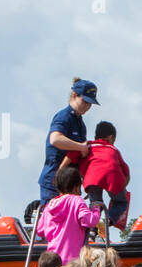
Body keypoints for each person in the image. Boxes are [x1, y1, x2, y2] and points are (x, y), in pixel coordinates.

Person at [38, 78, 98, 209]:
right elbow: (55, 139)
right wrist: (80, 146)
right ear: (75, 96)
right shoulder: (64, 116)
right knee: (53, 221)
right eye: (85, 101)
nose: (88, 106)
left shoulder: (80, 124)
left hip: (71, 181)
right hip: (54, 178)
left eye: (90, 104)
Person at [64, 120, 131, 231]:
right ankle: (107, 221)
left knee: (96, 205)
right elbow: (126, 172)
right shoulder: (113, 149)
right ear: (110, 138)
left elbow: (72, 154)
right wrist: (122, 187)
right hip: (113, 177)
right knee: (121, 202)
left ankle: (92, 231)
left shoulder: (87, 146)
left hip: (92, 178)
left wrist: (61, 169)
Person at [36, 165, 100, 265]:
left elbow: (40, 230)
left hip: (53, 259)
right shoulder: (76, 200)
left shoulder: (49, 205)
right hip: (72, 259)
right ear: (76, 186)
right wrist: (96, 209)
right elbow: (89, 221)